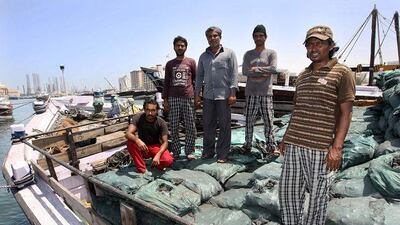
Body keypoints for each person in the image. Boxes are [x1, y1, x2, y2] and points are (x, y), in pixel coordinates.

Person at [278, 25, 355, 225]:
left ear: (330, 46)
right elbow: (298, 111)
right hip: (294, 146)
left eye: (319, 43)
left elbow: (346, 114)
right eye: (310, 43)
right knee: (288, 197)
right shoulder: (302, 76)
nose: (313, 47)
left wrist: (336, 148)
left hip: (321, 149)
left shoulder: (342, 72)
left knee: (317, 201)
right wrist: (285, 139)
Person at [195, 26, 238, 163]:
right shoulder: (203, 56)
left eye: (215, 36)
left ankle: (222, 153)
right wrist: (197, 95)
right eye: (209, 36)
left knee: (225, 126)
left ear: (220, 37)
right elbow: (199, 77)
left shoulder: (229, 53)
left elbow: (234, 74)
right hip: (208, 96)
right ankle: (208, 151)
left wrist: (232, 93)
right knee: (208, 125)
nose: (212, 38)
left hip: (224, 96)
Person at [241, 24, 278, 155]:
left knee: (268, 121)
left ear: (266, 37)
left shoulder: (271, 53)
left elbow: (274, 69)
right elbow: (245, 71)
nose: (258, 38)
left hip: (266, 93)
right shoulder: (248, 54)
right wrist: (264, 71)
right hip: (251, 93)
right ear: (253, 37)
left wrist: (256, 70)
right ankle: (247, 144)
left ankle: (271, 146)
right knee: (249, 121)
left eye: (261, 35)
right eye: (256, 36)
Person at [163, 36, 197, 160]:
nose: (180, 47)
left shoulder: (191, 62)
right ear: (174, 47)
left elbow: (196, 80)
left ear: (186, 47)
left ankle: (189, 151)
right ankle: (176, 151)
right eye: (178, 45)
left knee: (190, 125)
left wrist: (197, 97)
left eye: (182, 45)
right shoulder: (169, 64)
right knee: (174, 125)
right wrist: (165, 100)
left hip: (188, 97)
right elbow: (166, 82)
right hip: (173, 98)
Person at [125, 99, 173, 174]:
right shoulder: (138, 117)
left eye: (153, 110)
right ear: (144, 109)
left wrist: (158, 154)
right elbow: (128, 133)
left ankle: (156, 163)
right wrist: (137, 140)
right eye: (148, 110)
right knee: (130, 141)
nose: (150, 113)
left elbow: (165, 142)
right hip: (142, 147)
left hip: (155, 147)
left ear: (157, 111)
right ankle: (142, 170)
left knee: (168, 160)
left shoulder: (161, 122)